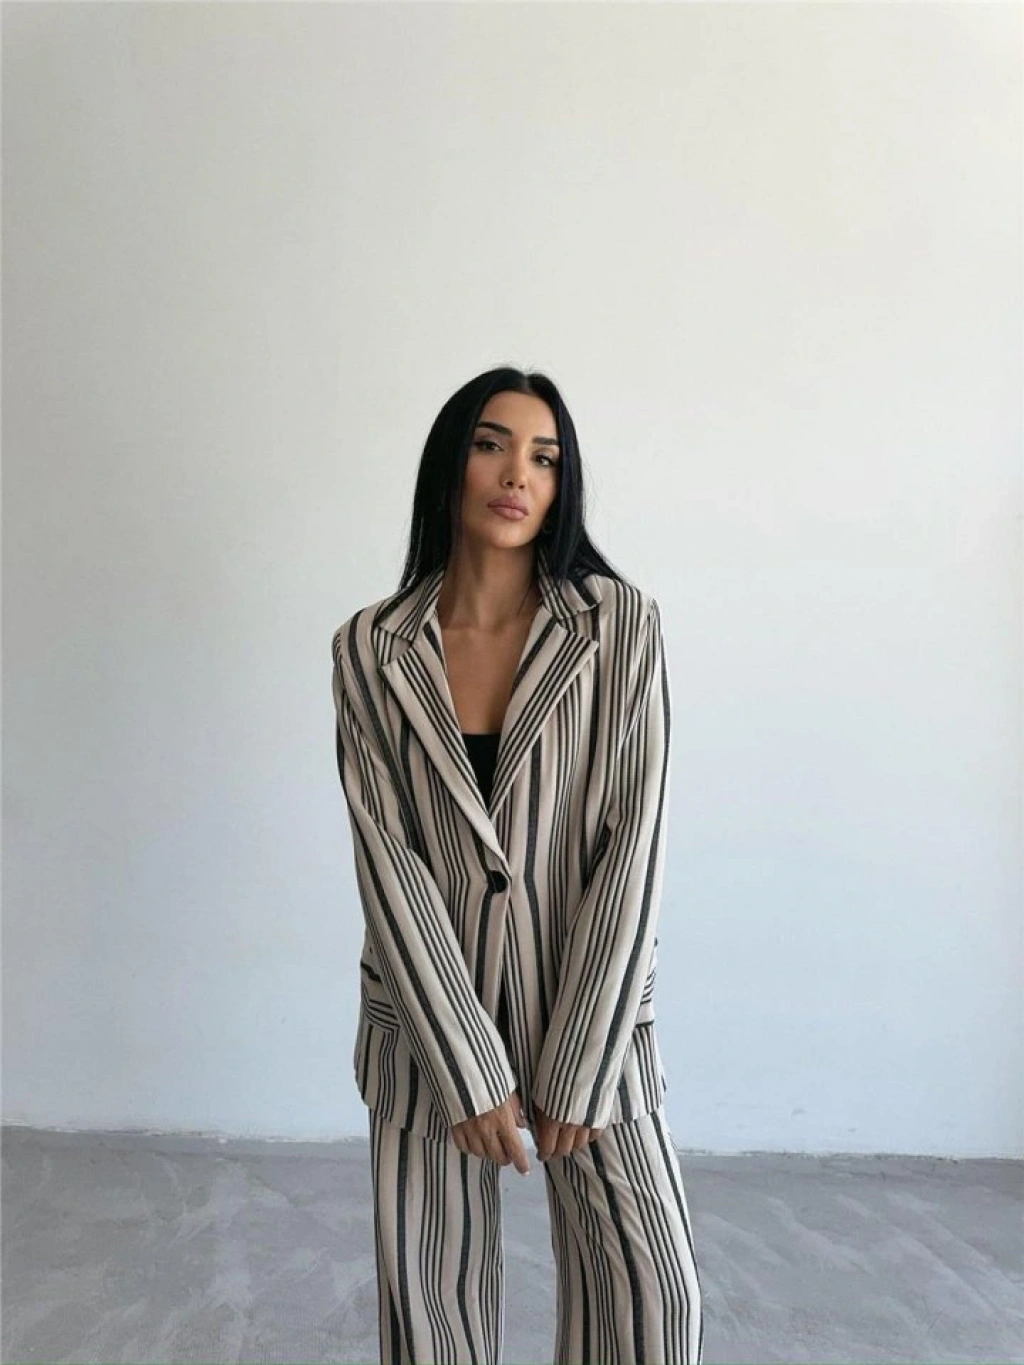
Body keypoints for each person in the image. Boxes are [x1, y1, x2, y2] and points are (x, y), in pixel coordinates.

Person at [331, 366, 704, 1364]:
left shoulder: (620, 627)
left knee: (652, 1297)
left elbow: (633, 846)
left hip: (589, 1008)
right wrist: (467, 1068)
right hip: (426, 1020)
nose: (517, 474)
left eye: (545, 457)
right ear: (450, 464)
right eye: (492, 444)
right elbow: (389, 861)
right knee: (432, 1315)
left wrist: (580, 1057)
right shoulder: (370, 648)